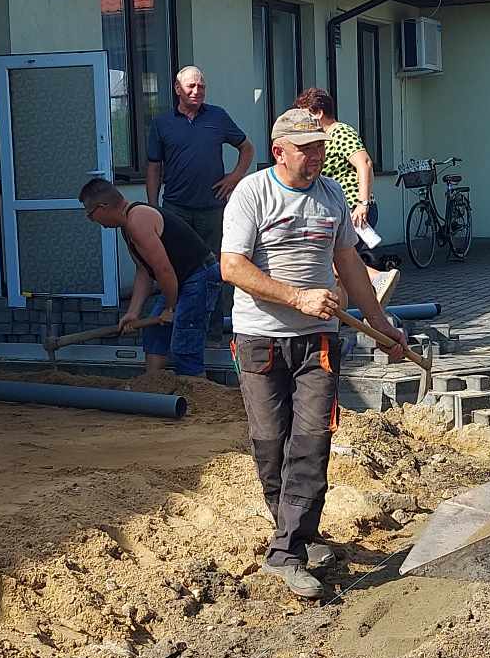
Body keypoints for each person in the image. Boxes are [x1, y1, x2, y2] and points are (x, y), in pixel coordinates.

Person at [222, 107, 409, 599]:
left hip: (319, 342)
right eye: (305, 149)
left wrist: (381, 325)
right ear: (278, 151)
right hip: (260, 340)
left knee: (311, 443)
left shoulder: (331, 196)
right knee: (270, 444)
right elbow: (232, 267)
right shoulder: (252, 193)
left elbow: (348, 263)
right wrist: (297, 297)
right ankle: (298, 534)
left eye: (319, 147)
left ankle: (286, 551)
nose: (316, 157)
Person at [78, 176, 222, 385]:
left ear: (103, 207)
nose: (92, 220)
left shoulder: (138, 220)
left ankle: (198, 393)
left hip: (199, 275)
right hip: (180, 279)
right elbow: (144, 271)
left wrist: (170, 308)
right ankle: (151, 387)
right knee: (155, 333)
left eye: (90, 214)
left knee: (185, 340)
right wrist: (133, 312)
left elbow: (164, 271)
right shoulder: (127, 226)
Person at [145, 66, 254, 260]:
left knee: (215, 262)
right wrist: (152, 205)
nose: (197, 91)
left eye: (201, 86)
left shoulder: (218, 116)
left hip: (212, 208)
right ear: (177, 89)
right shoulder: (162, 123)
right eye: (191, 86)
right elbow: (154, 168)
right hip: (176, 207)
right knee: (178, 261)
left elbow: (247, 148)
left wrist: (235, 177)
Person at [295, 86, 376, 235]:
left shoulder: (339, 132)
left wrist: (362, 204)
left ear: (319, 113)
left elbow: (365, 164)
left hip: (353, 208)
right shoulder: (322, 138)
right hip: (337, 209)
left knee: (345, 250)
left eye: (306, 115)